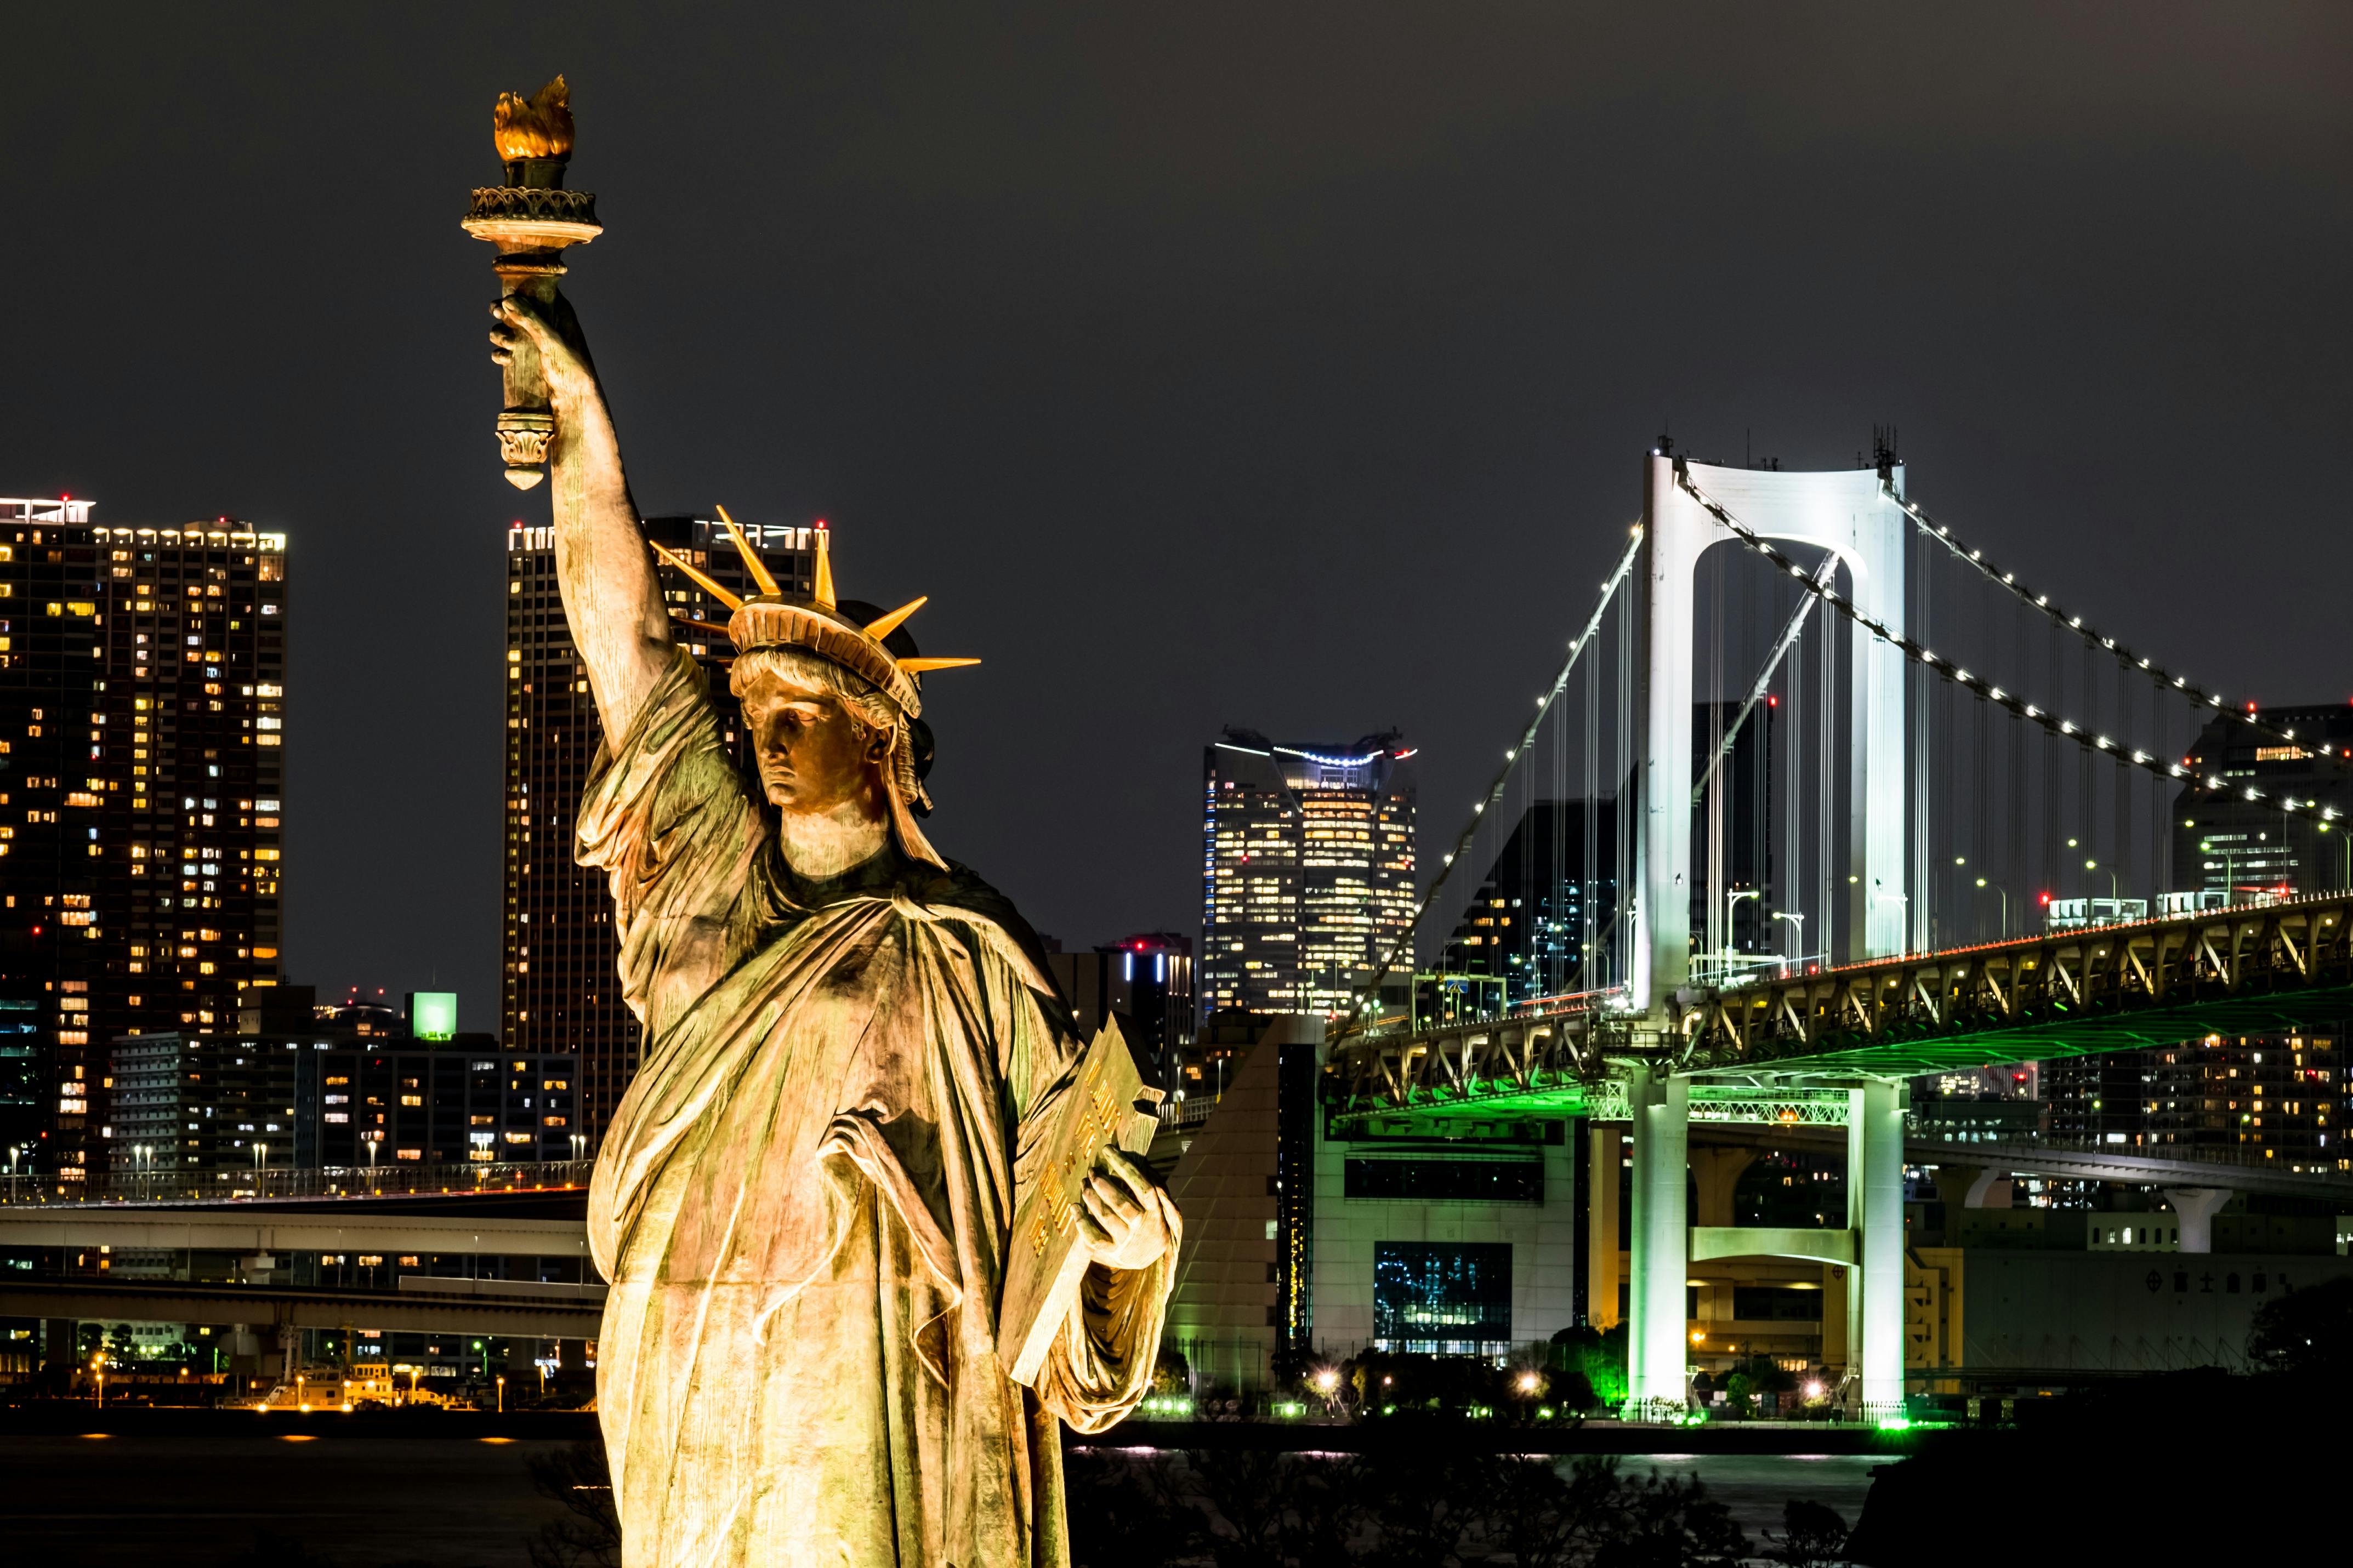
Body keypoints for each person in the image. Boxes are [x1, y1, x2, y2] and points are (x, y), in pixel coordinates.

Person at [488, 292, 1179, 1568]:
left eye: (802, 712)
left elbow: (1053, 1213)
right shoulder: (705, 865)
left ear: (881, 740)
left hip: (878, 1388)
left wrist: (1132, 1255)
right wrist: (582, 423)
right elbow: (624, 641)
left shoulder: (968, 950)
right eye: (754, 711)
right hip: (689, 1363)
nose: (768, 736)